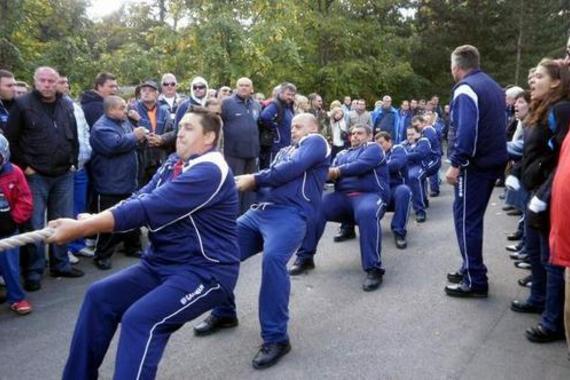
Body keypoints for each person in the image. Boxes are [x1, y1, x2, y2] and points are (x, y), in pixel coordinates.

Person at [48, 108, 240, 379]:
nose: (180, 133)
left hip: (205, 271)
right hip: (160, 264)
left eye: (188, 128)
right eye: (180, 126)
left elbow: (150, 207)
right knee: (99, 296)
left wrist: (83, 228)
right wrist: (96, 217)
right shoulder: (174, 162)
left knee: (141, 320)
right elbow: (140, 197)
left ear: (208, 137)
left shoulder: (210, 170)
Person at [193, 113, 330, 369]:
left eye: (299, 126)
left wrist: (254, 179)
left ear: (313, 127)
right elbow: (273, 177)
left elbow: (290, 170)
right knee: (218, 250)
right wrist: (244, 183)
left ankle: (277, 338)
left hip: (290, 214)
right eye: (292, 127)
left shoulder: (317, 142)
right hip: (260, 211)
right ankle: (224, 313)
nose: (294, 130)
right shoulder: (284, 151)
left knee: (273, 261)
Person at [5, 66, 83, 291]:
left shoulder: (66, 104)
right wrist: (25, 167)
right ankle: (34, 271)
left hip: (63, 174)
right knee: (35, 224)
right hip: (36, 175)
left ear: (58, 82)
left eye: (52, 80)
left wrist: (73, 161)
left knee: (63, 220)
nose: (48, 85)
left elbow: (74, 136)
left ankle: (61, 264)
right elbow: (11, 140)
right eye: (43, 80)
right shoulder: (22, 105)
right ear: (35, 81)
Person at [509, 58, 569, 342]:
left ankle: (552, 321)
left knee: (551, 258)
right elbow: (532, 152)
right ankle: (538, 297)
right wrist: (518, 173)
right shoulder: (539, 109)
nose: (532, 81)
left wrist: (544, 194)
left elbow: (561, 160)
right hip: (535, 190)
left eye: (540, 76)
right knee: (535, 250)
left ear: (557, 82)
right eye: (532, 77)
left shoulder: (561, 110)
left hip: (550, 194)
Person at [289, 124, 389, 290]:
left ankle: (374, 269)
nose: (355, 136)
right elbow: (327, 175)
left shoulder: (374, 148)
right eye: (353, 133)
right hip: (342, 197)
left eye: (360, 133)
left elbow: (361, 166)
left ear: (370, 135)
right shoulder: (342, 154)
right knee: (316, 207)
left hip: (370, 195)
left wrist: (336, 172)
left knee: (367, 212)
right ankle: (305, 257)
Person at [444, 45, 508, 298]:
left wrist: (457, 163)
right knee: (468, 216)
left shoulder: (466, 88)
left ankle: (475, 279)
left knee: (466, 219)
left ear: (456, 67)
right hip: (492, 161)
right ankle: (469, 266)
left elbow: (467, 131)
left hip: (475, 165)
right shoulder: (491, 85)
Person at [89, 96, 147, 270]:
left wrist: (141, 138)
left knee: (132, 215)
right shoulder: (101, 128)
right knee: (108, 221)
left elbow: (133, 143)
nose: (126, 110)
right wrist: (135, 136)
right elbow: (113, 146)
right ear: (111, 110)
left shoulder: (124, 122)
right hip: (110, 184)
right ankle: (102, 255)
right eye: (122, 107)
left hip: (128, 181)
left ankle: (133, 246)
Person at [56, 75, 94, 262]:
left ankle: (78, 244)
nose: (65, 85)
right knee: (65, 210)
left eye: (66, 82)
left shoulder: (76, 106)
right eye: (60, 82)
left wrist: (87, 153)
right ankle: (66, 249)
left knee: (79, 206)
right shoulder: (52, 108)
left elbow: (84, 132)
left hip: (81, 165)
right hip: (63, 168)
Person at [0, 134, 33, 314]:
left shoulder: (14, 172)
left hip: (8, 228)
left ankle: (17, 298)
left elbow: (25, 199)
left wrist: (14, 219)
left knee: (10, 266)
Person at [221, 77, 261, 214]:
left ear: (252, 88)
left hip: (252, 153)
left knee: (250, 187)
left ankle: (248, 215)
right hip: (233, 154)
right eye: (241, 85)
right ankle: (233, 216)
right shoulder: (226, 104)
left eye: (247, 85)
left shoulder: (256, 105)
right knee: (235, 187)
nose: (244, 88)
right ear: (236, 87)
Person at [128, 80, 173, 187]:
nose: (146, 93)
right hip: (141, 159)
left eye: (150, 90)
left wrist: (161, 139)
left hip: (159, 157)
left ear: (157, 94)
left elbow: (170, 132)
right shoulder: (133, 109)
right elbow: (134, 133)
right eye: (143, 90)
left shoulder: (164, 111)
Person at [376, 131, 412, 249]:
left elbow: (396, 164)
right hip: (378, 191)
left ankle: (399, 231)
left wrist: (374, 166)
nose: (379, 146)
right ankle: (347, 228)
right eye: (377, 144)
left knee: (404, 191)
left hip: (394, 189)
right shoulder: (375, 153)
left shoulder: (398, 149)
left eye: (381, 143)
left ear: (389, 142)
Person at [258, 82, 296, 169]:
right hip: (275, 147)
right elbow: (265, 117)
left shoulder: (288, 107)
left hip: (284, 147)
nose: (290, 97)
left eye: (293, 95)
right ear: (281, 93)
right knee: (271, 172)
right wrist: (275, 129)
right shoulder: (275, 105)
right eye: (288, 94)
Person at [402, 124, 431, 223]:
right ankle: (423, 200)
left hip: (420, 166)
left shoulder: (424, 141)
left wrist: (405, 155)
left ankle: (420, 211)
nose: (409, 136)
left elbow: (420, 154)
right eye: (408, 134)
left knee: (413, 177)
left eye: (412, 134)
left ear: (419, 134)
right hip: (407, 167)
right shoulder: (403, 144)